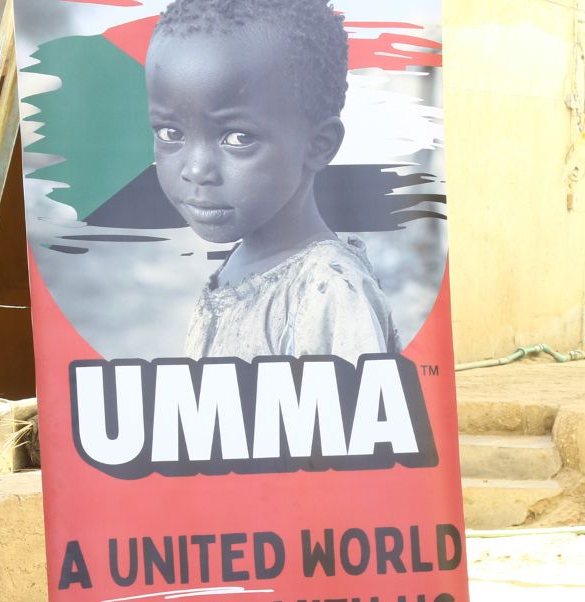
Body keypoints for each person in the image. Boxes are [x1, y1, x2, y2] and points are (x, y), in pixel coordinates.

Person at [146, 0, 401, 361]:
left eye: (238, 138)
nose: (196, 170)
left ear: (319, 145)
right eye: (170, 133)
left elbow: (360, 398)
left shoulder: (329, 290)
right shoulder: (241, 263)